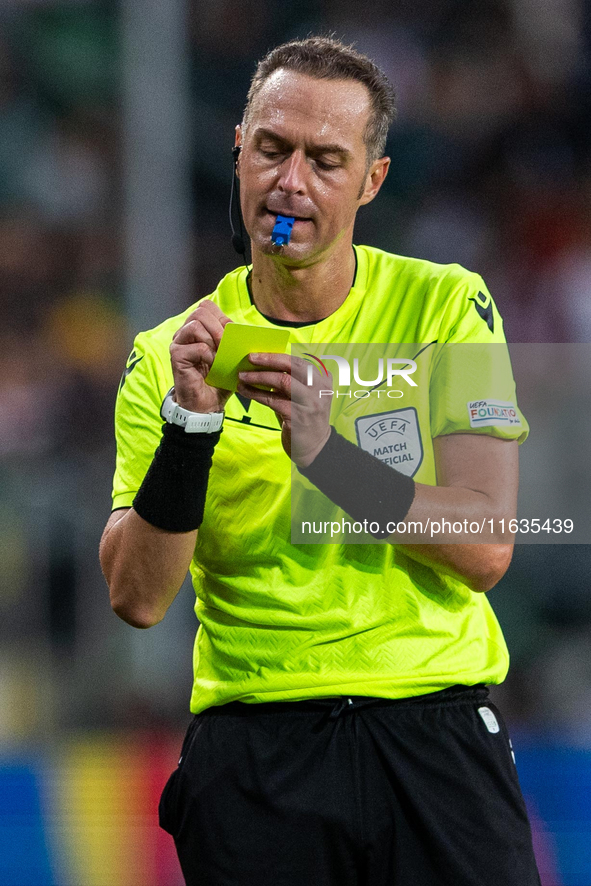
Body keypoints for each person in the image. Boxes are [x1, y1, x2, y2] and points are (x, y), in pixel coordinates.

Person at [100, 37, 541, 886]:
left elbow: (486, 545)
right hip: (257, 757)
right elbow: (137, 598)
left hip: (432, 733)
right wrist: (189, 430)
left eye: (325, 160)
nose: (290, 183)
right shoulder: (168, 356)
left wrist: (329, 457)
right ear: (238, 149)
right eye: (271, 149)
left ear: (371, 180)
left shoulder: (445, 303)